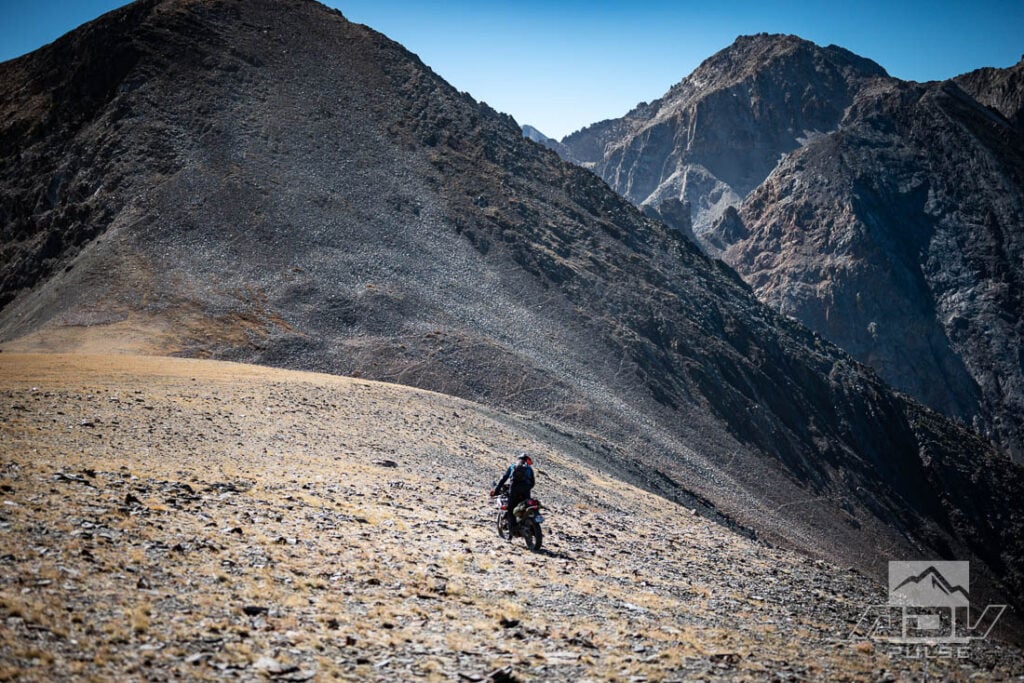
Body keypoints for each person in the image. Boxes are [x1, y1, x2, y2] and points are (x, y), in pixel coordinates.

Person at [492, 453, 535, 534]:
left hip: (514, 488)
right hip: (526, 489)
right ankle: (530, 525)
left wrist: (496, 490)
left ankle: (513, 529)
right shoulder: (529, 468)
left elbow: (503, 479)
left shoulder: (513, 466)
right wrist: (527, 488)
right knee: (526, 507)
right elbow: (532, 482)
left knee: (510, 508)